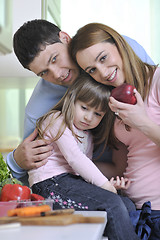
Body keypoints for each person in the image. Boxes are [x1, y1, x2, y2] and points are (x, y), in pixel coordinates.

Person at [6, 19, 154, 186]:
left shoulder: (116, 51)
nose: (56, 74)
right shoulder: (38, 109)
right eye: (44, 73)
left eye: (54, 59)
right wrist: (15, 161)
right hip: (90, 185)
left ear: (65, 38)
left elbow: (154, 100)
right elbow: (32, 174)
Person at [69, 22, 160, 239]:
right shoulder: (112, 106)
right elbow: (120, 166)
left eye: (103, 58)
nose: (102, 72)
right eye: (92, 70)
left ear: (119, 45)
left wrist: (141, 122)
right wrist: (69, 161)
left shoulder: (157, 79)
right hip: (134, 213)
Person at [30, 73, 137, 239]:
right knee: (113, 204)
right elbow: (75, 159)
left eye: (97, 114)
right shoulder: (55, 120)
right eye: (84, 108)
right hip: (49, 185)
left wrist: (107, 185)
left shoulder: (87, 134)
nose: (88, 117)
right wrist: (104, 186)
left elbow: (84, 169)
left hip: (72, 183)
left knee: (127, 205)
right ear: (71, 100)